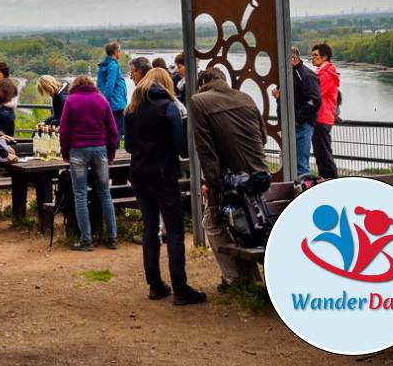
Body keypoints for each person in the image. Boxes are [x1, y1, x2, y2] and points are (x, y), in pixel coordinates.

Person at [125, 68, 206, 305]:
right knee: (174, 230)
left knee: (150, 227)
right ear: (165, 84)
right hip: (163, 174)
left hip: (139, 174)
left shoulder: (132, 109)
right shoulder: (170, 107)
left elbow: (128, 146)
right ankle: (180, 287)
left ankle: (155, 284)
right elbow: (181, 146)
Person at [190, 67, 269, 289]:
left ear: (203, 82)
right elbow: (262, 137)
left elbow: (206, 151)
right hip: (260, 175)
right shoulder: (245, 97)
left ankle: (238, 278)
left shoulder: (199, 102)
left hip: (234, 181)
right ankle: (247, 278)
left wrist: (213, 184)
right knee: (244, 225)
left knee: (213, 223)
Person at [58, 75, 118, 251]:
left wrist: (64, 152)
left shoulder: (71, 101)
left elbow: (64, 131)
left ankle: (86, 240)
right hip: (100, 149)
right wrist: (111, 153)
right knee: (105, 193)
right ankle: (112, 237)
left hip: (77, 149)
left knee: (80, 195)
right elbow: (113, 131)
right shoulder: (102, 100)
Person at [271, 48, 321, 180]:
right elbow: (290, 100)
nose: (279, 64)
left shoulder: (306, 75)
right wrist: (279, 97)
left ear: (293, 59)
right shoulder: (286, 76)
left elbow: (314, 100)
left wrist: (296, 120)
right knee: (287, 164)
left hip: (301, 126)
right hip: (289, 126)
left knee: (300, 166)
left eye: (282, 61)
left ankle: (304, 195)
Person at [311, 43, 340, 179]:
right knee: (321, 154)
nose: (313, 58)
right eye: (312, 55)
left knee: (324, 154)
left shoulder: (327, 74)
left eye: (316, 55)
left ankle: (331, 182)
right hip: (321, 117)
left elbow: (316, 93)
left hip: (322, 117)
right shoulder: (323, 72)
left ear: (324, 57)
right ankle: (326, 180)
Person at [97, 41, 128, 148]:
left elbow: (99, 85)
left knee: (109, 132)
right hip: (116, 104)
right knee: (116, 133)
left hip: (110, 104)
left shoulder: (103, 66)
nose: (120, 53)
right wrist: (105, 103)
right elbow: (109, 86)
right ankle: (114, 157)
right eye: (119, 50)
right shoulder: (113, 66)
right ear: (115, 52)